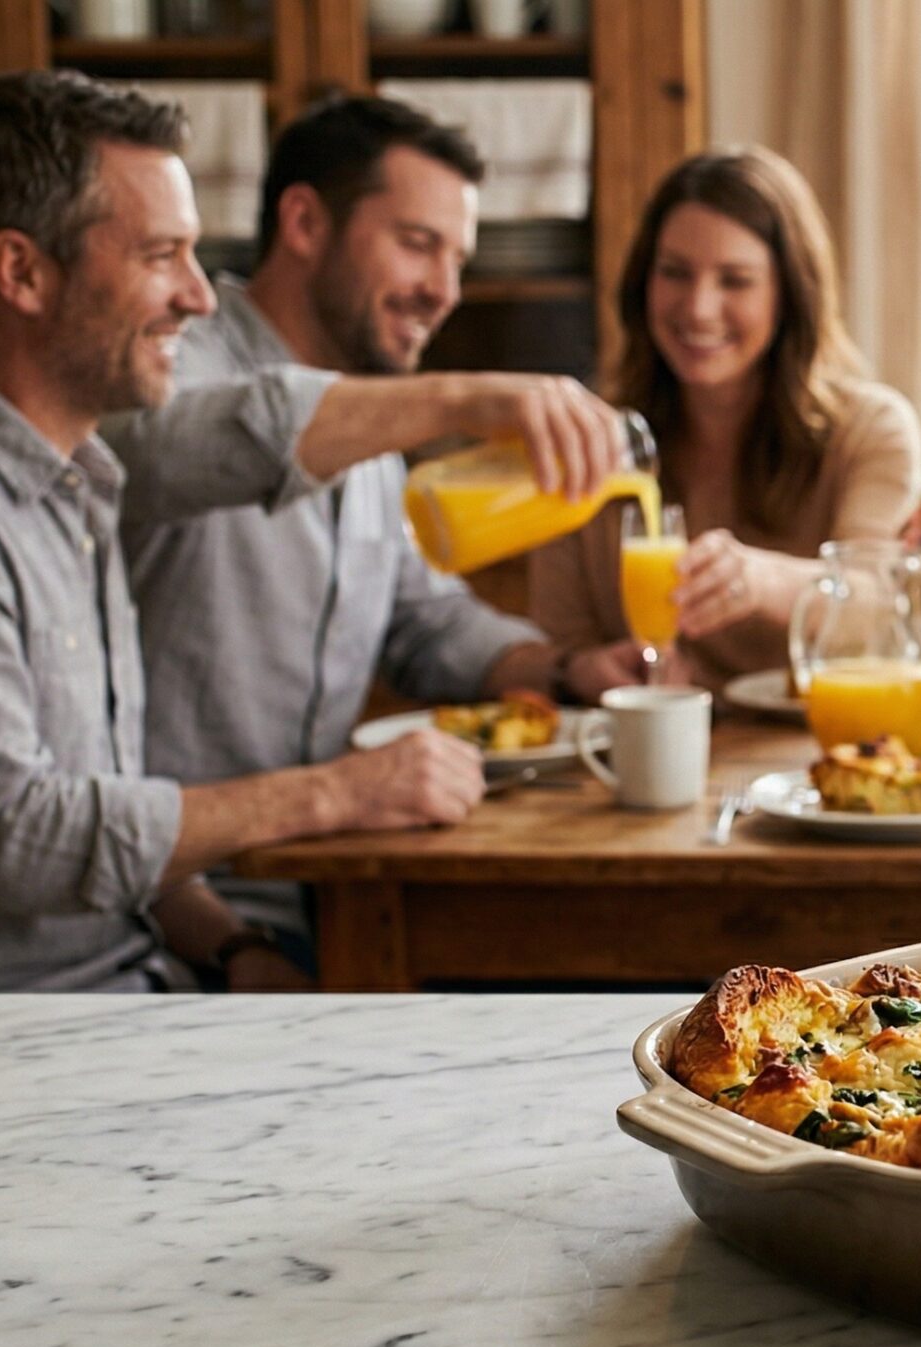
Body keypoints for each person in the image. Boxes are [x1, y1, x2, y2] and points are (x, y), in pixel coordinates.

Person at [0, 72, 602, 992]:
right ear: (21, 271)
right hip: (26, 1025)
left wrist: (566, 670)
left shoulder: (77, 479)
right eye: (161, 255)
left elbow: (418, 615)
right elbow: (15, 837)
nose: (199, 296)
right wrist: (335, 795)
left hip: (176, 947)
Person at [102, 95, 636, 959]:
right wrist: (466, 395)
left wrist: (566, 667)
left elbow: (423, 618)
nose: (445, 290)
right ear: (305, 221)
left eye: (458, 258)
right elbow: (179, 444)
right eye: (417, 244)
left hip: (328, 888)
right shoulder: (173, 366)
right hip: (171, 913)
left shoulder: (371, 431)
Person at [532, 147, 921, 692]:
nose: (698, 308)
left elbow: (880, 605)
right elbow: (563, 649)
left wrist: (765, 582)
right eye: (674, 273)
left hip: (820, 759)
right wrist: (586, 671)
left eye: (734, 280)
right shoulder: (592, 443)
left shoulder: (870, 430)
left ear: (789, 296)